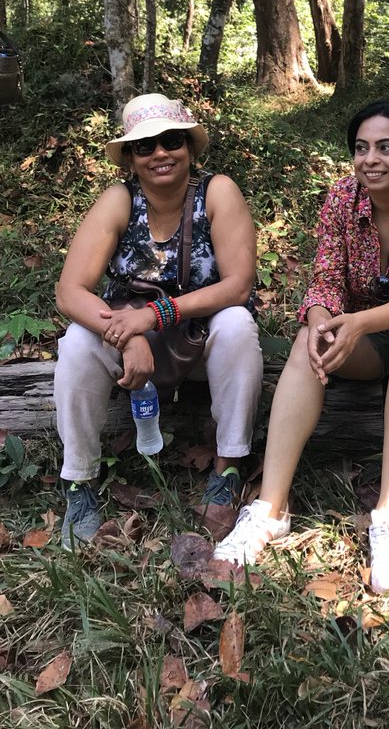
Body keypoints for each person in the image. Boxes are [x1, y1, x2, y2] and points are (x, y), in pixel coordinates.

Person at [214, 99, 389, 593]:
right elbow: (327, 279)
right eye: (361, 148)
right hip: (365, 330)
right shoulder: (342, 198)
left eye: (387, 148)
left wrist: (355, 324)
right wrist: (322, 322)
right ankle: (270, 509)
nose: (370, 159)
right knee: (306, 339)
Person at [54, 93, 262, 549]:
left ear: (189, 147)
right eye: (144, 146)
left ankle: (228, 469)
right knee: (74, 343)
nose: (160, 154)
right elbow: (70, 291)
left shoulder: (218, 191)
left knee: (238, 327)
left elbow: (238, 285)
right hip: (129, 328)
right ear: (130, 158)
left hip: (200, 333)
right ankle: (79, 484)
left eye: (171, 141)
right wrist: (127, 334)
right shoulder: (119, 199)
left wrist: (154, 316)